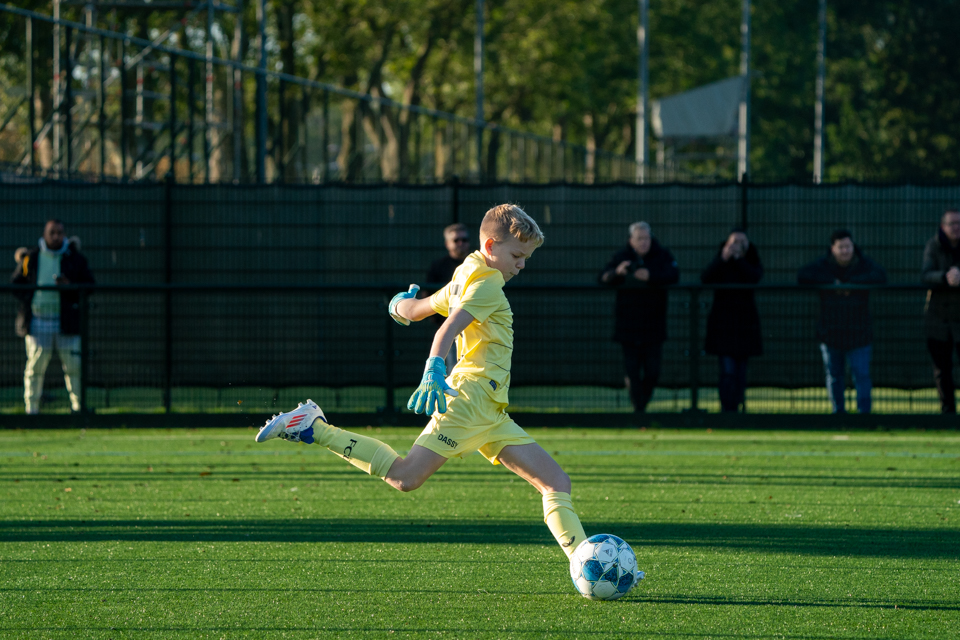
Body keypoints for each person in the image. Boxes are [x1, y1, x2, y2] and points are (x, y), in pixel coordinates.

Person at [255, 205, 590, 561]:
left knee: (556, 483)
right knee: (405, 476)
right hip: (471, 400)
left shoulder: (467, 272)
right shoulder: (488, 283)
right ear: (492, 246)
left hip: (491, 412)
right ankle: (313, 427)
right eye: (517, 255)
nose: (521, 264)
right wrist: (433, 366)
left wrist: (399, 305)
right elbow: (448, 327)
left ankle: (583, 562)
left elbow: (421, 309)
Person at [10, 220, 95, 414]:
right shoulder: (31, 257)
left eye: (59, 233)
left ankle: (78, 408)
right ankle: (32, 410)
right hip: (39, 321)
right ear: (45, 235)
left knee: (74, 367)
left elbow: (89, 285)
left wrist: (70, 286)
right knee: (35, 369)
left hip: (66, 322)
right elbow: (16, 284)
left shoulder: (74, 258)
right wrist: (30, 300)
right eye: (52, 233)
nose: (56, 236)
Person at [798, 229, 886, 414]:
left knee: (861, 375)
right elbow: (803, 275)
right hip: (831, 332)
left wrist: (852, 283)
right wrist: (833, 283)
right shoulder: (824, 265)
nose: (845, 251)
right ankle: (838, 414)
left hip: (859, 333)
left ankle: (864, 415)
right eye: (841, 247)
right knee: (835, 376)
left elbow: (880, 275)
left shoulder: (863, 264)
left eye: (848, 246)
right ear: (833, 249)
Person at [598, 221, 679, 413]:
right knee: (632, 371)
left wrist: (650, 276)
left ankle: (643, 403)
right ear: (631, 240)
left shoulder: (662, 255)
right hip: (628, 326)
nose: (644, 242)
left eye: (646, 238)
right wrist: (618, 272)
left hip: (654, 325)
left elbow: (674, 275)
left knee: (652, 371)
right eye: (639, 239)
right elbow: (603, 277)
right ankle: (639, 410)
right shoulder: (622, 256)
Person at [700, 229, 763, 413]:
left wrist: (740, 259)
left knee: (741, 372)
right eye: (734, 241)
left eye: (742, 242)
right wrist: (723, 259)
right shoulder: (721, 261)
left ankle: (738, 406)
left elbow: (755, 277)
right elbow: (706, 278)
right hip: (723, 324)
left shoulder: (751, 260)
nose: (737, 245)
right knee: (727, 371)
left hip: (745, 324)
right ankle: (727, 408)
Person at [922, 209, 960, 413]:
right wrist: (945, 277)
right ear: (943, 226)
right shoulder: (933, 245)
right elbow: (926, 274)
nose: (956, 227)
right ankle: (948, 412)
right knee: (942, 370)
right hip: (938, 320)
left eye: (959, 223)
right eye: (952, 223)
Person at [425, 223, 471, 372]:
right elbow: (428, 295)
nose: (461, 244)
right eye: (456, 240)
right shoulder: (438, 266)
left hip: (476, 327)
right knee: (452, 370)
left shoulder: (477, 264)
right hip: (448, 327)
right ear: (447, 243)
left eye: (464, 240)